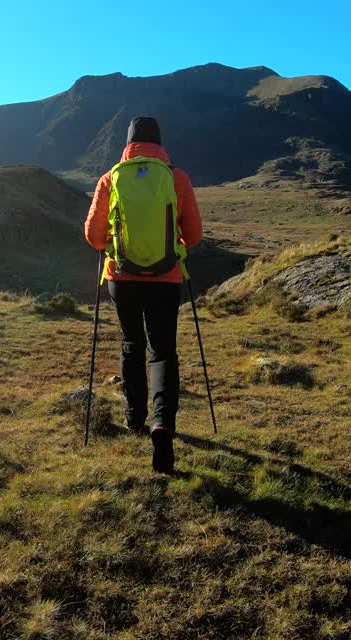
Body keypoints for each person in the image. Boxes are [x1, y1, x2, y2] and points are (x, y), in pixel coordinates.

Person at [84, 116, 202, 473]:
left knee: (131, 344)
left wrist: (118, 247)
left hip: (123, 277)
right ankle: (162, 422)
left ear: (129, 142)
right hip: (166, 279)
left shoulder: (111, 178)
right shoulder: (176, 178)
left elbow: (94, 235)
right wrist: (172, 246)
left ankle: (134, 418)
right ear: (159, 143)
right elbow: (193, 235)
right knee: (163, 350)